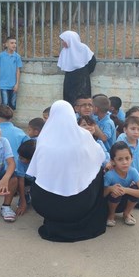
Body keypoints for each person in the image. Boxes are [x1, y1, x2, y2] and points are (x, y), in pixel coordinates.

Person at [27, 100, 107, 242]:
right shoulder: (84, 135)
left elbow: (36, 171)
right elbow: (100, 156)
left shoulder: (43, 138)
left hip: (47, 205)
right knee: (97, 170)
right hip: (81, 204)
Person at [104, 141, 139, 227]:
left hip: (124, 202)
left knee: (135, 188)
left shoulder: (133, 171)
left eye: (127, 158)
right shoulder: (109, 175)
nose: (125, 162)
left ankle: (126, 213)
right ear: (113, 161)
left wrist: (126, 190)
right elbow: (101, 195)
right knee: (116, 191)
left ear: (132, 158)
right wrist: (110, 188)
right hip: (110, 203)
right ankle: (111, 215)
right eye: (120, 159)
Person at [58, 30, 96, 106]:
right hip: (69, 79)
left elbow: (92, 62)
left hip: (82, 78)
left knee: (82, 100)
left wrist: (85, 72)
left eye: (63, 40)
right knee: (69, 100)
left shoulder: (83, 48)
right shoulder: (65, 51)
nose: (62, 43)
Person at [0, 37, 22, 110]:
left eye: (15, 43)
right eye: (12, 43)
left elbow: (18, 70)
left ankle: (9, 120)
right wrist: (3, 71)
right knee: (4, 104)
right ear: (6, 44)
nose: (14, 45)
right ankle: (3, 119)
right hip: (4, 85)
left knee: (12, 104)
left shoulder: (17, 57)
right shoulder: (1, 55)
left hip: (13, 85)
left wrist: (17, 84)